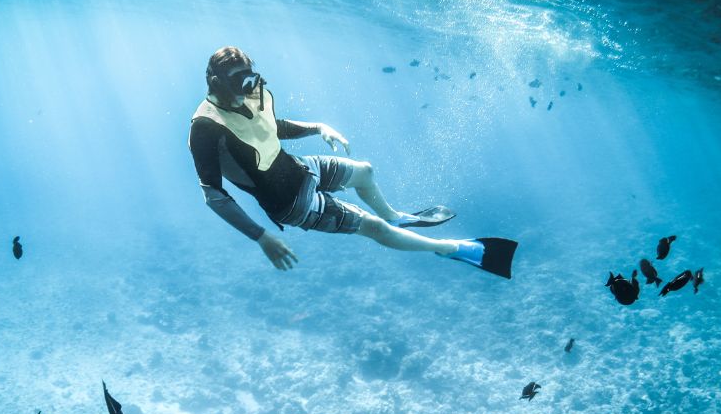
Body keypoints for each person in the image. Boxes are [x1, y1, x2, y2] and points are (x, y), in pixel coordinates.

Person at [188, 46, 516, 277]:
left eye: (250, 80)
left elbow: (270, 127)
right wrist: (261, 237)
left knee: (365, 172)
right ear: (216, 83)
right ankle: (449, 248)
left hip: (299, 167)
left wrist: (318, 127)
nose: (248, 90)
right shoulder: (205, 128)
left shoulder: (250, 93)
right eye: (238, 83)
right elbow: (213, 195)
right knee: (373, 228)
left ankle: (397, 218)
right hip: (289, 204)